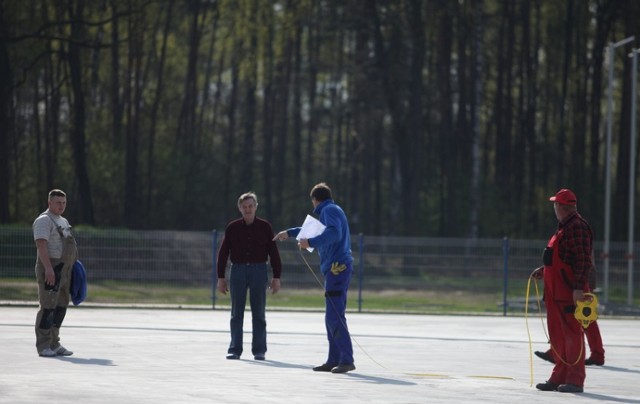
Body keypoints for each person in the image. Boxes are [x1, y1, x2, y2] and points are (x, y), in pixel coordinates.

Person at [273, 182, 355, 374]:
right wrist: (290, 233)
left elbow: (333, 233)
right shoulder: (332, 210)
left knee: (334, 316)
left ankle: (346, 359)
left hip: (338, 269)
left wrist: (310, 242)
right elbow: (314, 230)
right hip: (334, 270)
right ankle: (334, 359)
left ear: (315, 200)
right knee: (330, 317)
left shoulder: (329, 211)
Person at [531, 188, 596, 393]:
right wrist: (544, 270)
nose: (554, 208)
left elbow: (582, 260)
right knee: (558, 337)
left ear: (560, 206)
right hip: (555, 294)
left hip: (569, 292)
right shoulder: (564, 227)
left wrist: (578, 288)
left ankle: (576, 380)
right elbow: (562, 258)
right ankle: (558, 377)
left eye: (555, 205)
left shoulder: (577, 227)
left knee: (572, 336)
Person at [217, 192, 282, 360]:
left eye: (250, 206)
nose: (248, 209)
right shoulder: (232, 227)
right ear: (240, 208)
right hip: (237, 271)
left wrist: (276, 277)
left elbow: (274, 253)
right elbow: (223, 253)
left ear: (256, 207)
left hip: (259, 271)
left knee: (258, 313)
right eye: (244, 207)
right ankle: (234, 349)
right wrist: (221, 277)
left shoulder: (265, 227)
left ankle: (259, 350)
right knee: (236, 313)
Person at [32, 189, 78, 357]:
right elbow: (41, 245)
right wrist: (49, 269)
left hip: (65, 269)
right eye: (58, 202)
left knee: (60, 306)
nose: (61, 206)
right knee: (48, 306)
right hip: (51, 268)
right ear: (49, 202)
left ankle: (54, 343)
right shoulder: (44, 220)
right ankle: (43, 346)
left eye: (64, 202)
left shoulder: (63, 221)